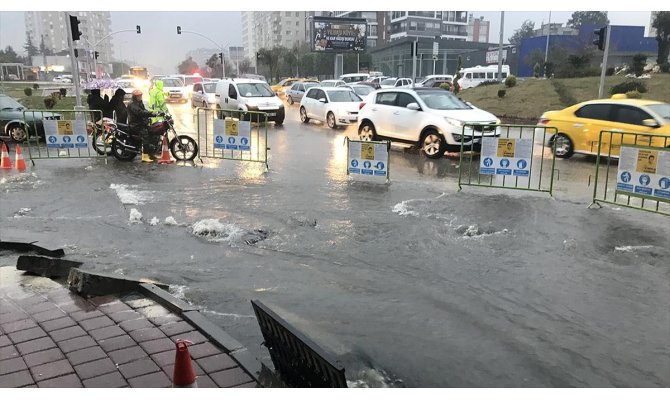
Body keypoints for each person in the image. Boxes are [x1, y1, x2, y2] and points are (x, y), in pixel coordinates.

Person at [127, 89, 160, 163]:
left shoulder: (139, 102)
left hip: (141, 123)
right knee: (145, 136)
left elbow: (144, 110)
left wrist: (153, 113)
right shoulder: (132, 104)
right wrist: (151, 114)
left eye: (141, 95)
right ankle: (145, 156)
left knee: (153, 133)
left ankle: (151, 154)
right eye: (139, 96)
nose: (140, 97)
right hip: (135, 124)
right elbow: (140, 112)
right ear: (135, 97)